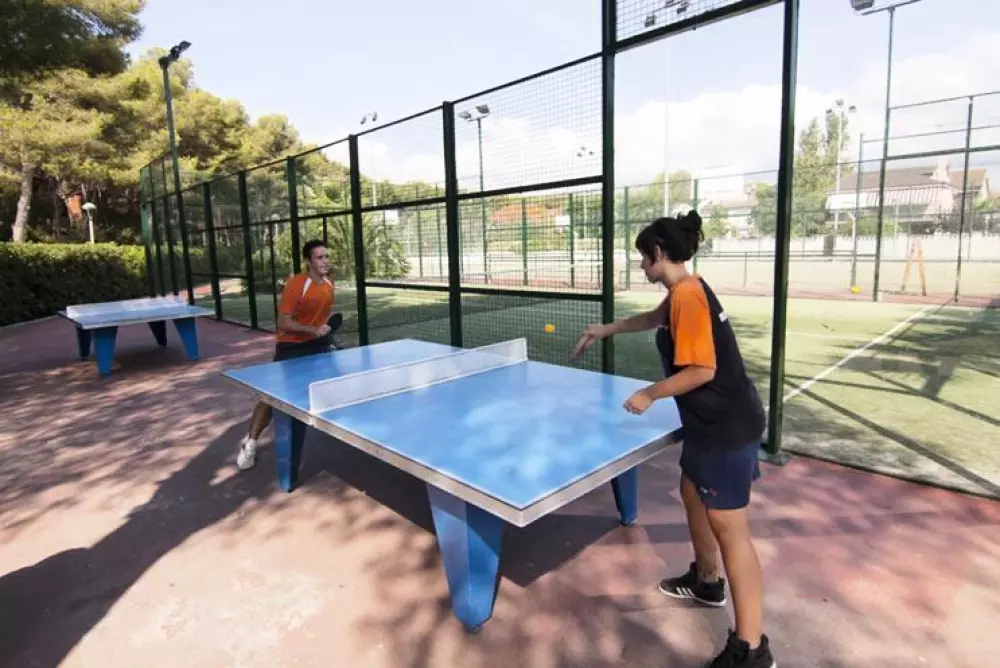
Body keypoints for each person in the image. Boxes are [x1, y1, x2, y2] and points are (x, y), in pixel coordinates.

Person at [571, 211, 775, 668]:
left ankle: (752, 648)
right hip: (709, 424)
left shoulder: (689, 297)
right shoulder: (683, 290)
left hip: (725, 427)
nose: (640, 265)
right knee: (690, 490)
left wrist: (651, 393)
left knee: (731, 531)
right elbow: (653, 318)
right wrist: (605, 329)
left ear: (659, 253)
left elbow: (702, 370)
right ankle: (707, 581)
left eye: (643, 257)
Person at [236, 239, 336, 471]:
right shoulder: (296, 284)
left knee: (331, 383)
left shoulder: (329, 285)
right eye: (319, 257)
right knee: (272, 397)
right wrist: (312, 330)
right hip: (291, 346)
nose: (325, 261)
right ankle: (250, 442)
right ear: (308, 261)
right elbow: (283, 322)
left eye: (326, 257)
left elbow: (320, 317)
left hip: (317, 345)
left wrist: (323, 329)